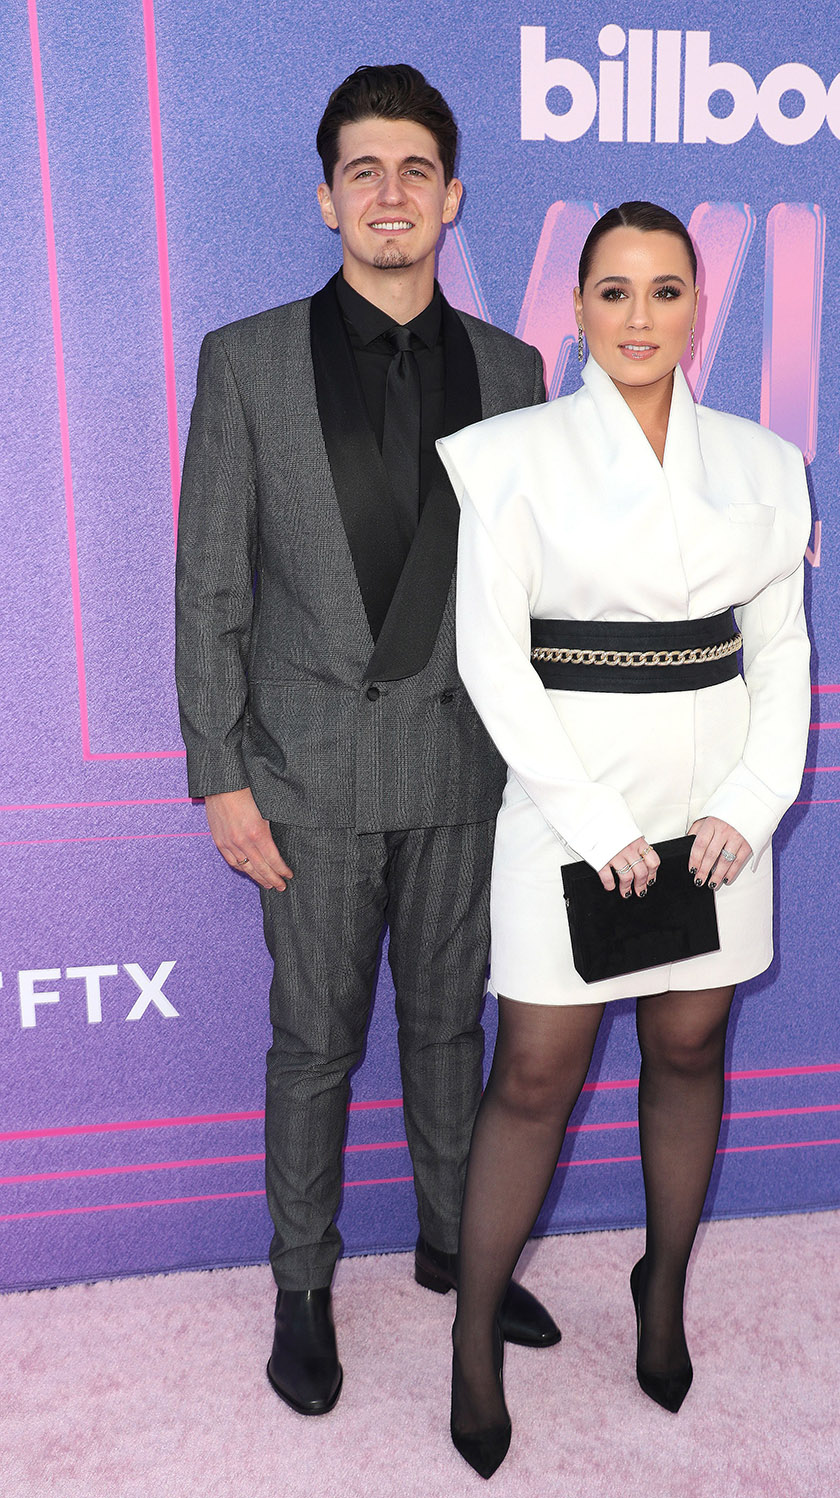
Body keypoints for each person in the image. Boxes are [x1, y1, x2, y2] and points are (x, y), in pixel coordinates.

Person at [174, 64, 560, 1419]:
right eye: (363, 171)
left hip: (465, 772)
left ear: (451, 197)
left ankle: (460, 1248)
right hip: (304, 775)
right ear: (326, 196)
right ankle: (301, 1284)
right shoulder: (246, 360)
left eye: (414, 171)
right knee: (317, 1042)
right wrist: (220, 772)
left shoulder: (515, 370)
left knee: (452, 1032)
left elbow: (535, 584)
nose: (388, 194)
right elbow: (210, 586)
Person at [436, 201, 812, 1476]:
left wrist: (751, 802)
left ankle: (661, 1291)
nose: (639, 317)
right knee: (533, 1069)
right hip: (566, 796)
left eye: (663, 291)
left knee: (691, 1041)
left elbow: (781, 649)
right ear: (578, 308)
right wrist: (594, 825)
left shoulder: (764, 462)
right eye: (613, 292)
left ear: (695, 303)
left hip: (714, 804)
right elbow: (494, 661)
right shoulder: (510, 456)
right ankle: (475, 1340)